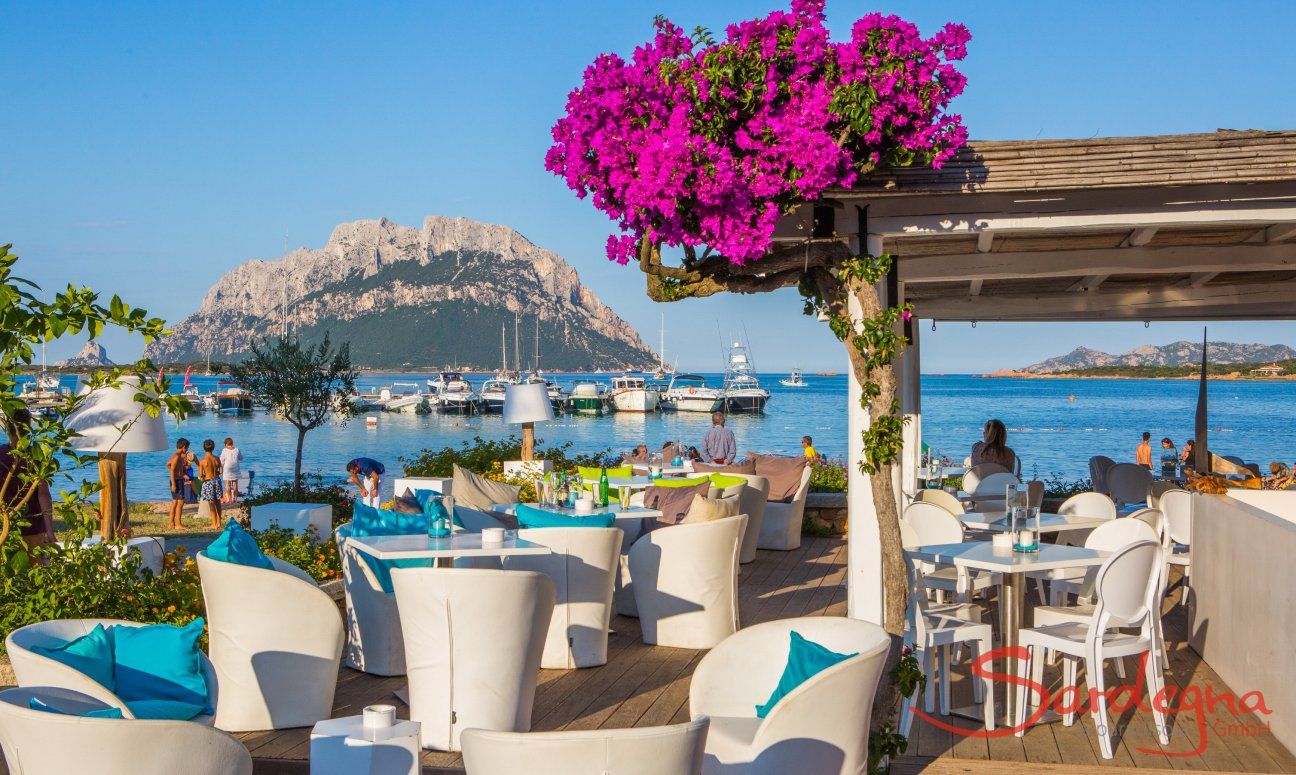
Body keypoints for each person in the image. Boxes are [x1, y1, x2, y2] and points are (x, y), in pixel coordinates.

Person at [1, 408, 54, 553]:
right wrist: (49, 530)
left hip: (4, 526)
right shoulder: (37, 456)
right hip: (34, 526)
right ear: (29, 428)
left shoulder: (1, 455)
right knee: (37, 571)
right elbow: (43, 495)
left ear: (7, 428)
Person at [196, 439, 223, 528]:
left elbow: (200, 476)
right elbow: (221, 470)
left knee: (211, 504)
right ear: (213, 448)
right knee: (218, 502)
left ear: (204, 448)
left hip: (208, 482)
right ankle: (219, 522)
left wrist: (204, 478)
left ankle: (214, 523)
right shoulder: (216, 458)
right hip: (217, 480)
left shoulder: (202, 461)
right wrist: (215, 475)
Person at [166, 438, 191, 530]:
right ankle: (178, 524)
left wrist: (180, 472)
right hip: (176, 481)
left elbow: (168, 464)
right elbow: (171, 470)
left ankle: (171, 523)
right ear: (184, 447)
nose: (187, 450)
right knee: (180, 502)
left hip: (178, 479)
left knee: (175, 502)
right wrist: (173, 483)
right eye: (187, 448)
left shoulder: (177, 456)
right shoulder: (177, 456)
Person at [219, 437, 242, 504]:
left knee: (227, 485)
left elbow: (221, 460)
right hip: (235, 468)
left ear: (226, 444)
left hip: (227, 469)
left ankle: (229, 499)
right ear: (232, 443)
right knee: (235, 485)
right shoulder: (237, 449)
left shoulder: (224, 450)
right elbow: (241, 458)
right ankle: (235, 499)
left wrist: (220, 467)